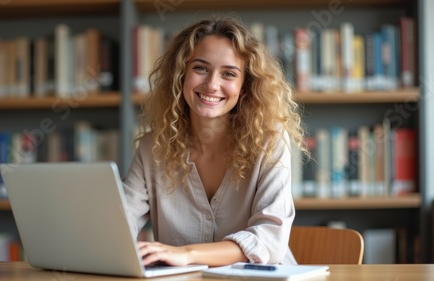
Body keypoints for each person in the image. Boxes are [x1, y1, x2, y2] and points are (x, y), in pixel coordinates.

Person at [122, 16, 306, 267]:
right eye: (200, 68)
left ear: (244, 87)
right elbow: (120, 223)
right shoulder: (151, 147)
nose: (212, 84)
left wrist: (187, 254)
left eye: (229, 73)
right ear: (181, 74)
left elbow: (270, 239)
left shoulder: (269, 140)